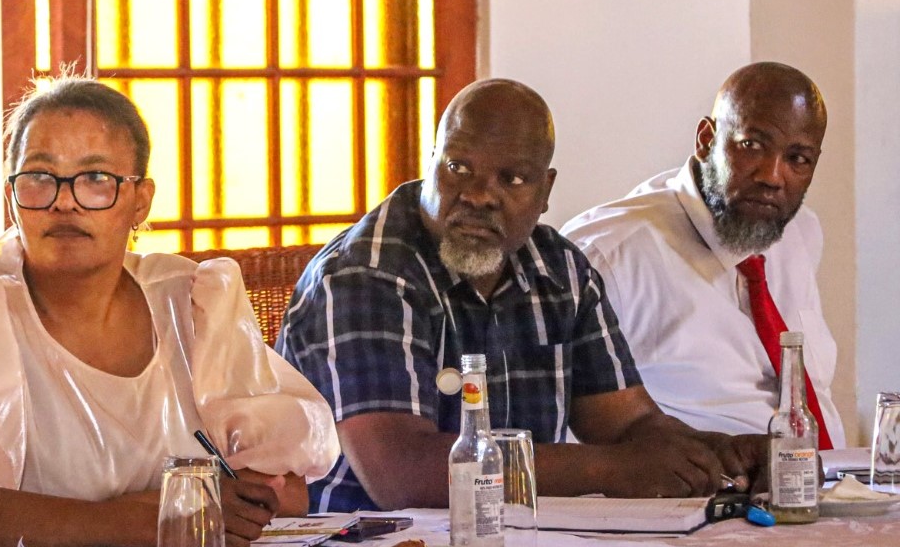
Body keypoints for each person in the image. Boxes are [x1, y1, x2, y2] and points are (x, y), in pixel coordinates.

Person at [0, 77, 339, 547]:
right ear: (11, 197)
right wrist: (159, 517)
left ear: (140, 201)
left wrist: (99, 518)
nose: (64, 201)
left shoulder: (190, 301)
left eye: (96, 179)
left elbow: (284, 490)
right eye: (40, 178)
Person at [278, 79, 761, 513]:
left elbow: (629, 425)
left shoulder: (560, 270)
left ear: (545, 190)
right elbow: (403, 474)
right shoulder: (367, 275)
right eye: (458, 167)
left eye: (512, 179)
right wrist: (613, 470)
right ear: (430, 162)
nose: (479, 195)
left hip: (516, 546)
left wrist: (726, 455)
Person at [562, 62, 844, 448]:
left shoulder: (799, 233)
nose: (772, 176)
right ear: (706, 139)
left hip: (827, 488)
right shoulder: (608, 255)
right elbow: (562, 424)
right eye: (752, 145)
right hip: (700, 499)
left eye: (797, 159)